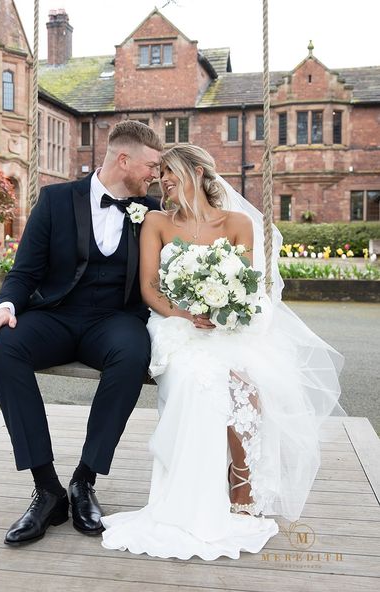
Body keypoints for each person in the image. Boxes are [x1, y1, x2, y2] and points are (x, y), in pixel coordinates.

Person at [101, 145, 344, 560]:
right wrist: (184, 313)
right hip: (175, 323)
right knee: (199, 377)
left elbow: (246, 288)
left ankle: (241, 479)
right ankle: (196, 492)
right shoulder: (157, 222)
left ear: (197, 171)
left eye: (171, 172)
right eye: (160, 175)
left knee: (243, 373)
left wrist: (221, 310)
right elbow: (148, 290)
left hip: (224, 322)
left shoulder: (238, 223)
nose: (164, 181)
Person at [0, 120, 163, 546]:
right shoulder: (56, 199)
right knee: (4, 347)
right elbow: (24, 271)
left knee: (133, 353)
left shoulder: (153, 210)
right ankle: (47, 489)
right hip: (58, 314)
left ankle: (85, 480)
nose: (156, 174)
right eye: (152, 165)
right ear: (124, 159)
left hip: (115, 320)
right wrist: (4, 309)